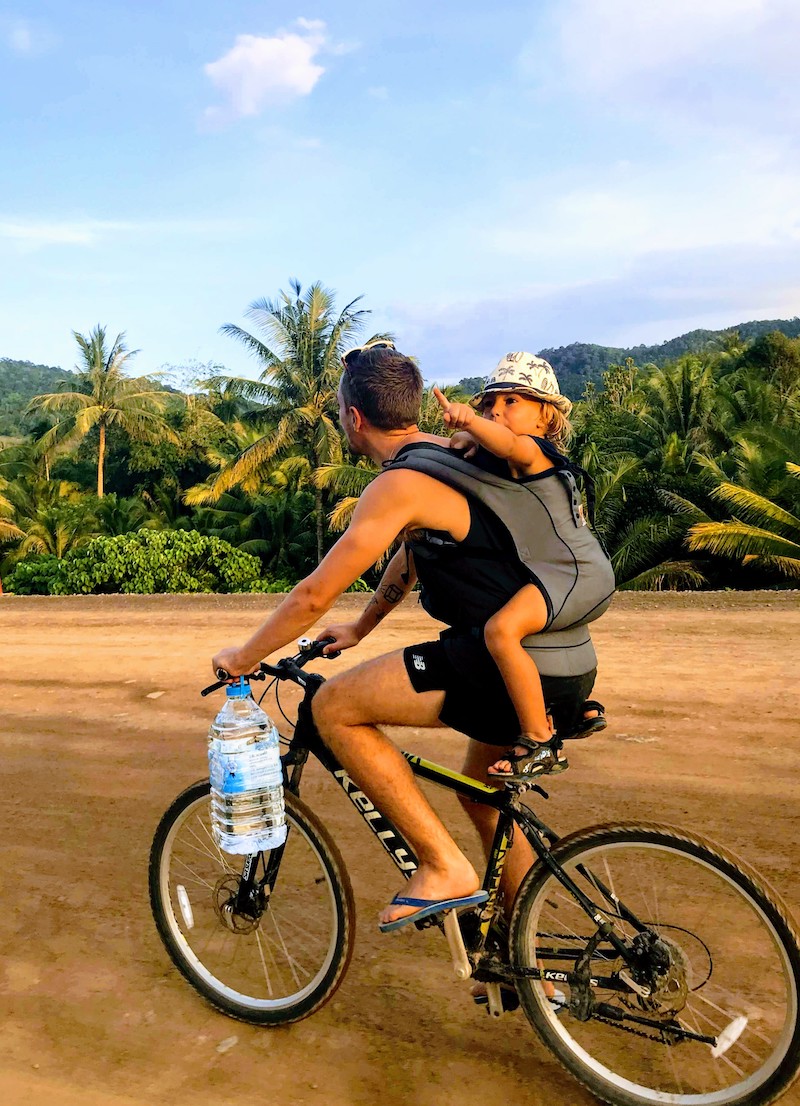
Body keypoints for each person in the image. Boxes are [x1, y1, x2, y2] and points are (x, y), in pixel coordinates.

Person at [211, 341, 610, 932]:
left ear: (353, 417)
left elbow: (312, 595)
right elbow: (416, 553)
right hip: (566, 661)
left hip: (504, 662)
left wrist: (242, 656)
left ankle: (442, 866)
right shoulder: (449, 455)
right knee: (479, 794)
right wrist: (360, 626)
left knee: (332, 707)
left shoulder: (399, 484)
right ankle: (523, 942)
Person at [431, 352, 607, 783]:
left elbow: (506, 444)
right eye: (492, 404)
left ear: (546, 417)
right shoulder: (510, 463)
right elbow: (485, 451)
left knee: (501, 630)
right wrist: (465, 440)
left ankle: (538, 738)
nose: (497, 411)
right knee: (534, 638)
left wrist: (468, 421)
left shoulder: (530, 450)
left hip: (573, 575)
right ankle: (571, 708)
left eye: (512, 402)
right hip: (572, 572)